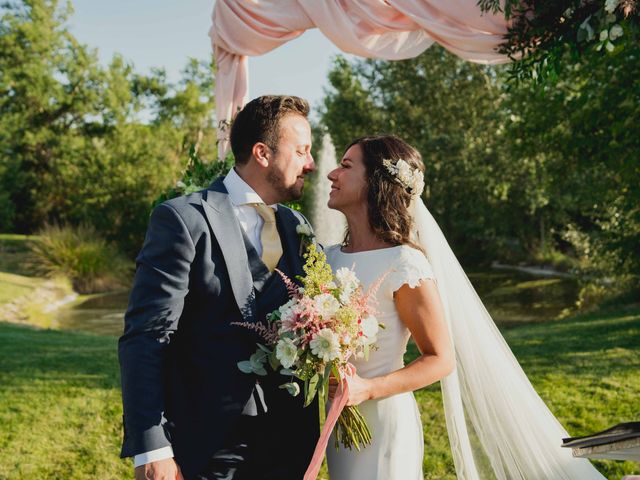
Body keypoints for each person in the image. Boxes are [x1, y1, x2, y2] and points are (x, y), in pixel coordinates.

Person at [324, 135, 606, 480]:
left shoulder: (403, 264)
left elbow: (440, 359)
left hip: (383, 424)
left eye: (346, 166)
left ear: (376, 183)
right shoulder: (326, 259)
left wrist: (367, 389)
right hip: (337, 425)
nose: (331, 174)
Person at [118, 95, 319, 480]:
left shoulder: (298, 228)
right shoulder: (183, 220)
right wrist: (152, 446)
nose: (310, 164)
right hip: (209, 443)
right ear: (262, 153)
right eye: (301, 151)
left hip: (291, 441)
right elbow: (146, 336)